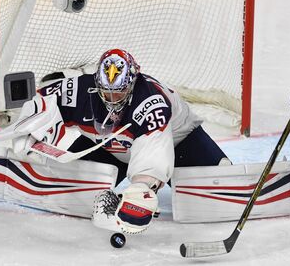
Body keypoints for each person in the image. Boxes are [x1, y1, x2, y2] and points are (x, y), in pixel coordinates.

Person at [18, 48, 229, 234]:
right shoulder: (79, 89)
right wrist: (28, 136)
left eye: (119, 93)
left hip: (179, 142)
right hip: (111, 147)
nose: (112, 100)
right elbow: (39, 102)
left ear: (132, 83)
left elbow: (154, 144)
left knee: (215, 187)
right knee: (77, 194)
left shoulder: (150, 101)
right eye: (106, 93)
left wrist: (142, 188)